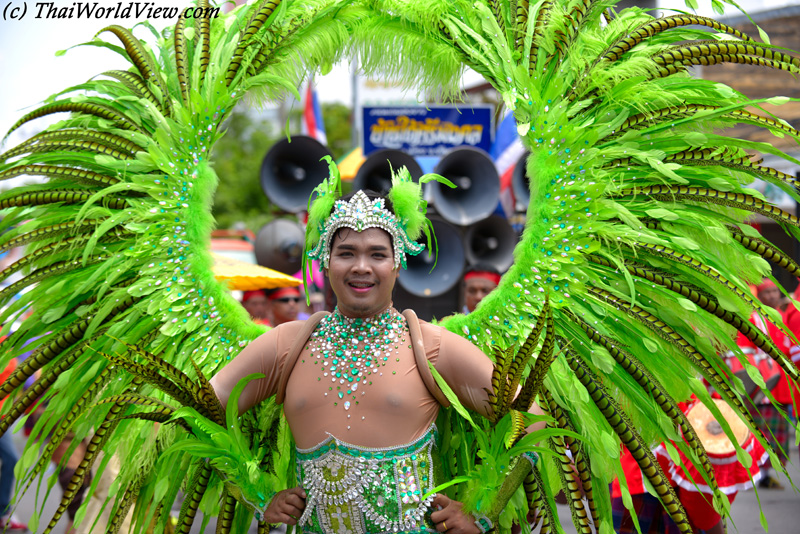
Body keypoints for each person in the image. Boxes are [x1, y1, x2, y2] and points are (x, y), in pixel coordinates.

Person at [211, 186, 539, 534]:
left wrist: (483, 508)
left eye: (377, 254)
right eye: (347, 253)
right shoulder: (287, 345)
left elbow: (531, 416)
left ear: (397, 263)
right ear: (326, 260)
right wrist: (257, 491)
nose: (361, 267)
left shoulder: (430, 345)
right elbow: (201, 406)